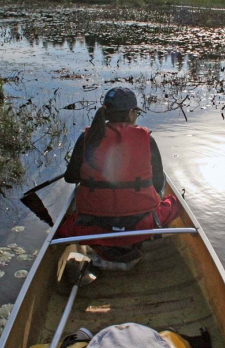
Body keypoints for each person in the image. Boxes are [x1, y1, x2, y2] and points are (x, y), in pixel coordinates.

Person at [56, 87, 180, 268]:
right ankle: (142, 239)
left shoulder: (87, 138)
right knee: (174, 204)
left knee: (64, 227)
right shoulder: (147, 139)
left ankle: (97, 248)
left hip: (91, 226)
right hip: (141, 225)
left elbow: (71, 178)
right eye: (136, 112)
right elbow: (159, 181)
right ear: (131, 113)